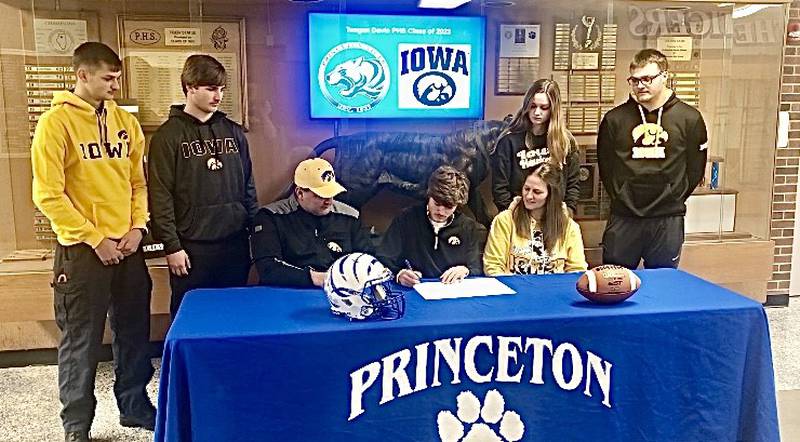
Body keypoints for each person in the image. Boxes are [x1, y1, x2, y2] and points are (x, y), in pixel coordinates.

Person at [31, 42, 155, 442]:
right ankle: (77, 425)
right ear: (82, 75)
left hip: (127, 247)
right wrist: (94, 237)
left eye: (117, 78)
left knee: (134, 332)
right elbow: (48, 195)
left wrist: (137, 228)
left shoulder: (126, 123)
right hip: (82, 253)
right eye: (108, 78)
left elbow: (138, 183)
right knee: (81, 340)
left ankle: (134, 407)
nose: (115, 85)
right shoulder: (55, 124)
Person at [148, 54, 258, 318]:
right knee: (191, 315)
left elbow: (248, 186)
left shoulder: (234, 132)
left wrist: (256, 231)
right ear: (189, 87)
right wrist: (172, 246)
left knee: (233, 313)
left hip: (234, 241)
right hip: (191, 246)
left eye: (221, 89)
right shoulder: (167, 137)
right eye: (210, 88)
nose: (217, 96)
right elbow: (160, 196)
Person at [597, 49, 708, 269]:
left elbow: (695, 168)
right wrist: (621, 195)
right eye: (635, 80)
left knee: (663, 286)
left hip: (667, 218)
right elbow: (606, 166)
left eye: (647, 79)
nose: (640, 85)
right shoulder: (614, 119)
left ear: (665, 76)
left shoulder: (689, 118)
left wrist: (674, 195)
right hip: (624, 217)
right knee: (615, 283)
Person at [251, 158, 373, 287]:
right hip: (288, 292)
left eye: (331, 193)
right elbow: (268, 269)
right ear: (300, 193)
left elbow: (367, 259)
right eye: (320, 196)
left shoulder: (350, 216)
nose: (328, 201)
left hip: (341, 293)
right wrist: (319, 278)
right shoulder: (270, 217)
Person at [377, 165, 487, 287]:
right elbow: (384, 257)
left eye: (448, 207)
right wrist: (399, 273)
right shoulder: (406, 219)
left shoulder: (468, 227)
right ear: (429, 195)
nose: (441, 211)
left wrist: (465, 270)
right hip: (414, 289)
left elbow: (476, 267)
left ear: (458, 204)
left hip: (453, 291)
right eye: (436, 203)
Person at [492, 79, 581, 214]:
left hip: (554, 215)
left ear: (553, 109)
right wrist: (512, 214)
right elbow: (500, 188)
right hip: (519, 214)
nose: (537, 112)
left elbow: (573, 185)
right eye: (532, 106)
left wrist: (568, 212)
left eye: (544, 107)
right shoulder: (509, 141)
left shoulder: (566, 142)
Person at [484, 163, 587, 275]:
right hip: (514, 289)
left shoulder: (569, 227)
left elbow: (577, 271)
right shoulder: (504, 221)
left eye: (537, 192)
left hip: (554, 290)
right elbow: (493, 267)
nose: (528, 196)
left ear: (551, 196)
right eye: (526, 189)